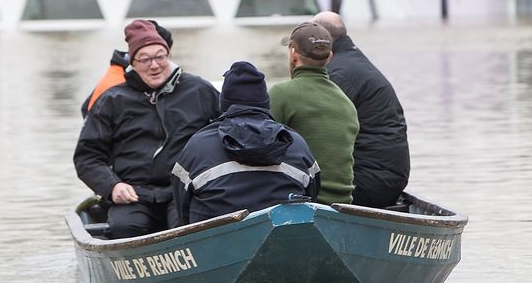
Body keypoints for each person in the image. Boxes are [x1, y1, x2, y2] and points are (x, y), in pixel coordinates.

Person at [74, 19, 220, 238]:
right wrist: (112, 186)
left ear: (168, 55)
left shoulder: (199, 90)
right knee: (124, 229)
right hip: (133, 194)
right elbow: (87, 158)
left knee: (189, 228)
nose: (154, 65)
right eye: (145, 59)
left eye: (160, 56)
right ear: (133, 62)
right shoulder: (112, 100)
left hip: (185, 190)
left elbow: (225, 133)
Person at [171, 61, 319, 225]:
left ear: (224, 103)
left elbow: (181, 204)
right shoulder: (296, 143)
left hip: (216, 242)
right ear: (265, 102)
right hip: (282, 239)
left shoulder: (198, 145)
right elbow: (312, 193)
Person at [311, 11, 411, 208]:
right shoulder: (352, 63)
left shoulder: (337, 75)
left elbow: (318, 133)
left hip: (369, 183)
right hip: (387, 179)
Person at [268, 21, 359, 205]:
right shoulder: (346, 102)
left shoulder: (281, 93)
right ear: (330, 57)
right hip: (343, 203)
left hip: (303, 203)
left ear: (293, 54)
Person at [81, 21, 173, 118]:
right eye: (147, 58)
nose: (155, 64)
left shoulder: (124, 74)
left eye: (161, 57)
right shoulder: (116, 88)